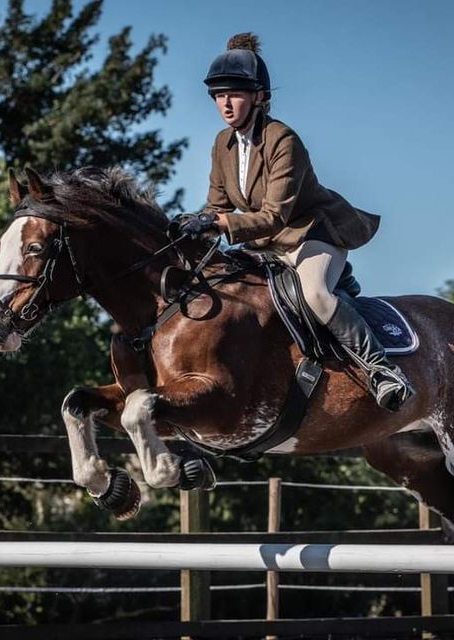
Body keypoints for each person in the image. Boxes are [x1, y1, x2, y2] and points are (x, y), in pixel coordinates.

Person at [177, 33, 413, 411]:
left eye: (235, 93)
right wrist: (193, 222)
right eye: (219, 94)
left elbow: (274, 216)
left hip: (310, 234)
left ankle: (381, 369)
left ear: (260, 97)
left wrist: (219, 225)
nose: (225, 102)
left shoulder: (282, 139)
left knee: (315, 294)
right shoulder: (221, 143)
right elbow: (216, 204)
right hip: (264, 245)